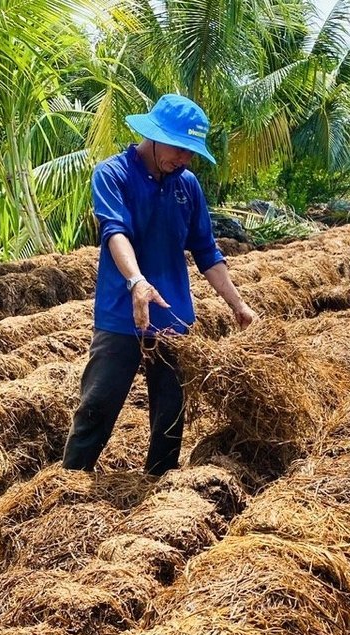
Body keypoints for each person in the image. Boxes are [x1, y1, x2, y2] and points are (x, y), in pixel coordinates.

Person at [62, 94, 256, 476]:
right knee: (97, 407)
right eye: (179, 149)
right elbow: (115, 232)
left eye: (191, 153)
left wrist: (238, 305)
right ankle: (68, 483)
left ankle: (159, 486)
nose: (185, 159)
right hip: (122, 314)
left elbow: (206, 251)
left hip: (173, 320)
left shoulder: (188, 186)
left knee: (170, 415)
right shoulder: (113, 174)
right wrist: (137, 282)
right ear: (154, 136)